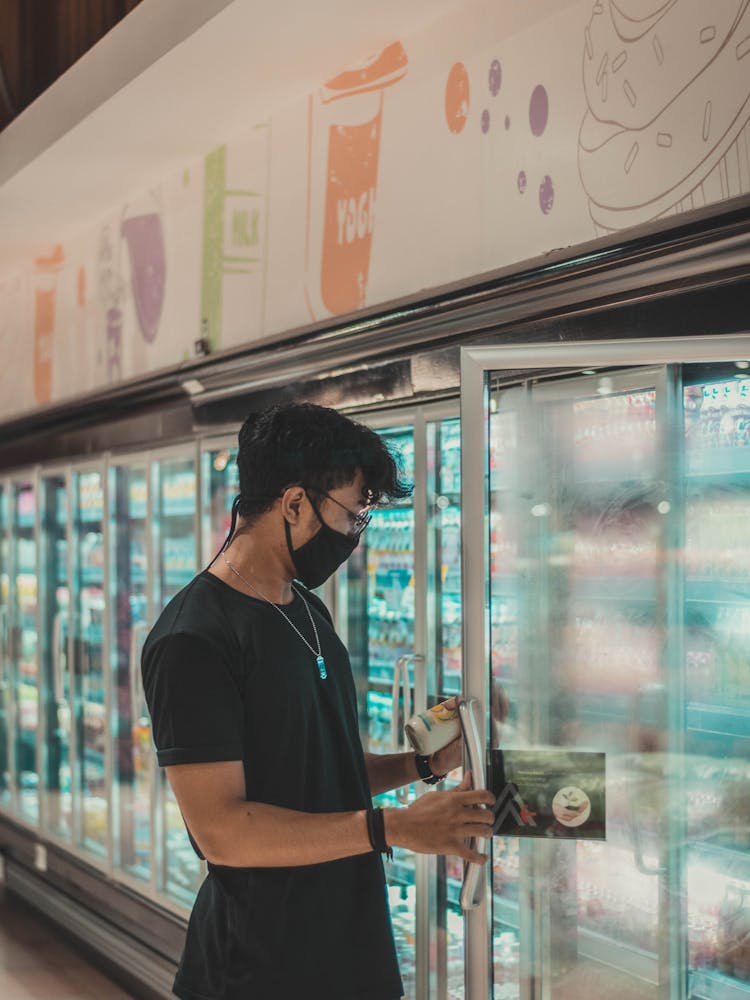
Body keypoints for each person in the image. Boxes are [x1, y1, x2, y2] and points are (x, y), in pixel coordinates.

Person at [141, 403, 494, 1000]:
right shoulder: (193, 639)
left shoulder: (308, 610)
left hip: (352, 951)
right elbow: (223, 831)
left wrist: (426, 764)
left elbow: (320, 775)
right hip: (260, 967)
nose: (355, 534)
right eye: (352, 516)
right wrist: (394, 827)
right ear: (295, 502)